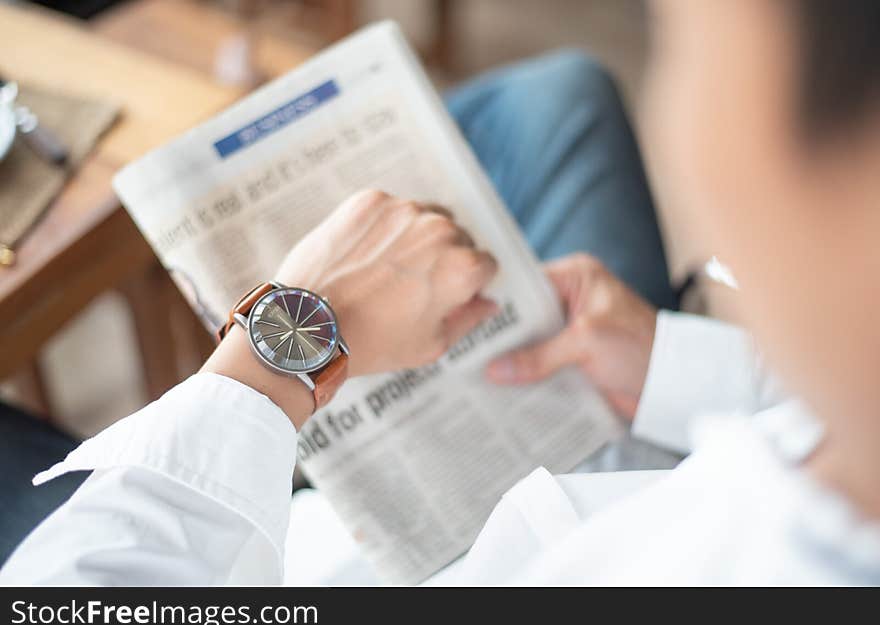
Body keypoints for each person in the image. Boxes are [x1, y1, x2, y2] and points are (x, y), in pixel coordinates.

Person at [3, 0, 879, 585]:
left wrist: (294, 336)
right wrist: (679, 363)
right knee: (558, 98)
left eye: (691, 47)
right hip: (646, 449)